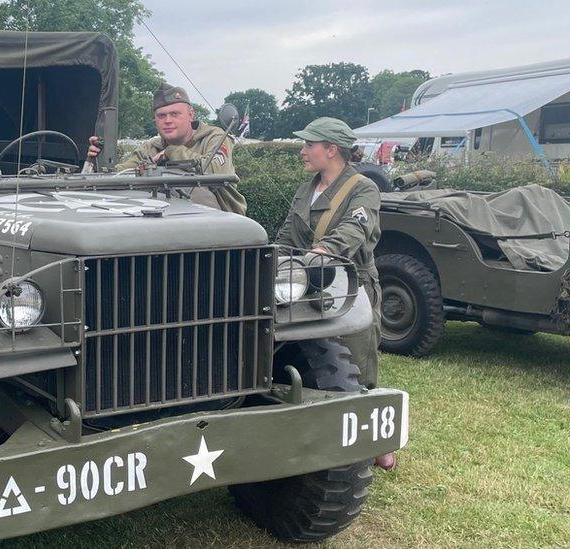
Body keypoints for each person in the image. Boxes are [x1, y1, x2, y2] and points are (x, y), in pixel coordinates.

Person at [274, 117, 394, 470]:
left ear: (332, 149)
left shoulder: (362, 188)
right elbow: (287, 235)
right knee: (321, 356)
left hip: (349, 283)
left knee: (358, 362)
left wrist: (324, 251)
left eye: (310, 145)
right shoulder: (307, 188)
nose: (303, 151)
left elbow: (355, 229)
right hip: (307, 284)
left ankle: (375, 441)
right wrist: (270, 258)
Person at [87, 82, 247, 215]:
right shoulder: (150, 148)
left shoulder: (215, 138)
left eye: (175, 114)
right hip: (165, 223)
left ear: (191, 115)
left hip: (222, 222)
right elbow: (119, 175)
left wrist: (172, 151)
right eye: (161, 116)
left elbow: (216, 172)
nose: (167, 121)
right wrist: (97, 161)